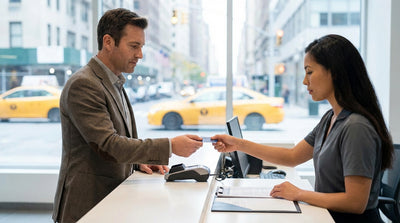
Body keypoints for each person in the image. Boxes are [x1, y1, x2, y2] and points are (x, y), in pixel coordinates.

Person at [212, 34, 394, 223]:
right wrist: (238, 144)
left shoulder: (356, 127)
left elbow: (355, 202)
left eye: (309, 72)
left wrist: (299, 193)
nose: (305, 82)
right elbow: (291, 156)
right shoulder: (331, 118)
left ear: (335, 72)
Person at [52, 8, 203, 222]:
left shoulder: (115, 81)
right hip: (87, 205)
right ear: (108, 42)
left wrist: (137, 161)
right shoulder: (84, 84)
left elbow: (120, 141)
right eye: (134, 46)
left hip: (112, 200)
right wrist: (170, 146)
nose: (139, 55)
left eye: (141, 47)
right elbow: (108, 145)